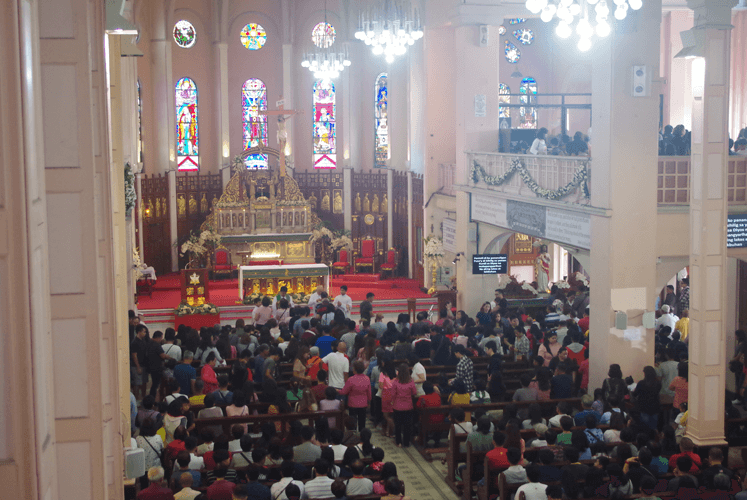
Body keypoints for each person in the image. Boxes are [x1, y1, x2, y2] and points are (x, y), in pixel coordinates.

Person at [391, 362, 417, 447]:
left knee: (398, 425)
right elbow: (414, 392)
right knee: (407, 426)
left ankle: (398, 442)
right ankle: (406, 442)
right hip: (408, 406)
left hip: (397, 406)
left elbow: (393, 394)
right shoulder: (410, 382)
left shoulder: (395, 382)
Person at [341, 360, 372, 431]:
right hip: (363, 404)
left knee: (353, 422)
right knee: (362, 422)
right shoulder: (367, 379)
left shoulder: (351, 379)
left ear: (354, 369)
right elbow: (369, 393)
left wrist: (336, 391)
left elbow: (344, 392)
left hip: (353, 404)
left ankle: (353, 436)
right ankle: (362, 437)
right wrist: (369, 402)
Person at [634, 366, 662, 430]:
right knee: (654, 427)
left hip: (644, 407)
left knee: (645, 428)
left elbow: (635, 394)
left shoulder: (641, 383)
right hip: (655, 406)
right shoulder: (658, 383)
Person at [131, 324, 149, 401]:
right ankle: (136, 400)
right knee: (137, 384)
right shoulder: (134, 342)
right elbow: (134, 355)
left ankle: (143, 398)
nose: (145, 333)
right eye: (144, 332)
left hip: (144, 365)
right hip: (137, 366)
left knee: (144, 383)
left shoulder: (143, 341)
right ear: (139, 332)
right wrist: (138, 366)